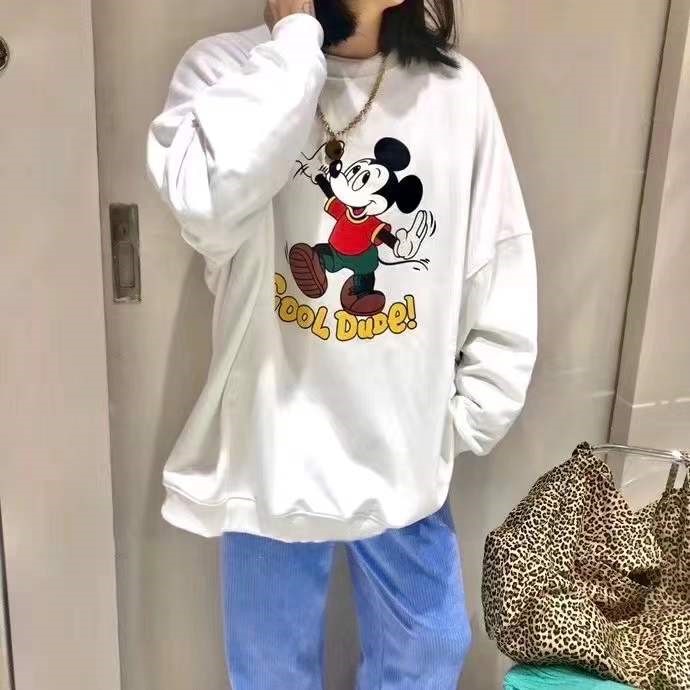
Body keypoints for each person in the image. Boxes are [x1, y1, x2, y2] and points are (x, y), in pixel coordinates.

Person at [146, 0, 538, 688]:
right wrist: (296, 44)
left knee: (431, 647)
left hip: (403, 453)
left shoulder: (454, 91)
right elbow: (207, 205)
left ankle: (353, 287)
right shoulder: (227, 69)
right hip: (269, 452)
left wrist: (460, 421)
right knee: (270, 672)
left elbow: (496, 259)